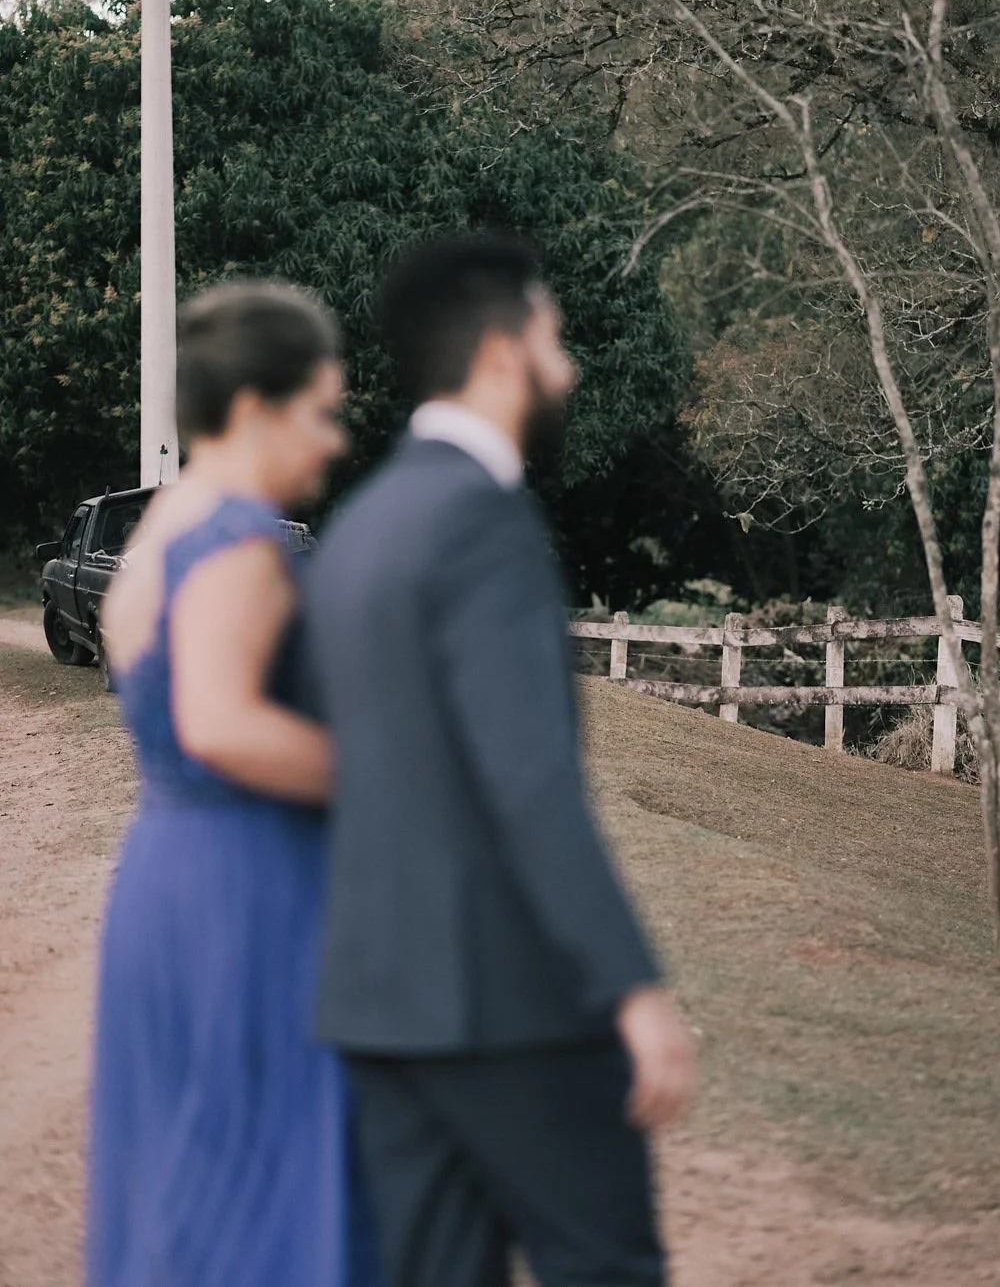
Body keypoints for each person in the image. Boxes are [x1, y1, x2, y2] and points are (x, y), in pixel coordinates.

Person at [306, 235, 697, 1287]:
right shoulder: (484, 524)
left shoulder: (357, 530)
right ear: (499, 352)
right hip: (504, 1000)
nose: (565, 369)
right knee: (604, 1266)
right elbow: (529, 783)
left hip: (380, 1005)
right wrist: (632, 987)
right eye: (552, 338)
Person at [87, 282, 379, 1287]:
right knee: (262, 1180)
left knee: (190, 1168)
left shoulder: (155, 539)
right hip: (245, 887)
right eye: (321, 411)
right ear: (255, 408)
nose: (333, 441)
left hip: (166, 876)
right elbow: (219, 723)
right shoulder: (239, 539)